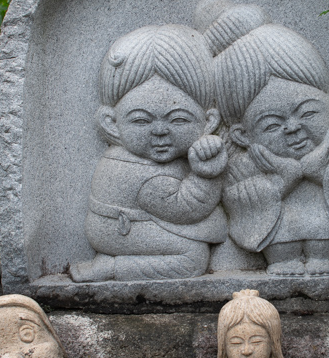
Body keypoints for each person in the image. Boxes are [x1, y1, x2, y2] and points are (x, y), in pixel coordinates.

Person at [202, 0, 329, 276]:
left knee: (323, 231)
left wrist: (323, 172)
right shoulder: (245, 162)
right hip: (277, 228)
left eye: (307, 113)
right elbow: (237, 195)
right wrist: (282, 180)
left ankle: (324, 253)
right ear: (242, 135)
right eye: (272, 124)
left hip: (324, 219)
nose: (292, 128)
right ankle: (282, 258)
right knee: (281, 238)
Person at [73, 24, 228, 282]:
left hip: (139, 222)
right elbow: (186, 210)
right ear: (112, 123)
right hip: (122, 231)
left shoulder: (140, 159)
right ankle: (112, 268)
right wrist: (206, 175)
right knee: (192, 257)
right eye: (141, 121)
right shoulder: (139, 171)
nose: (159, 131)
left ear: (208, 121)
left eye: (178, 119)